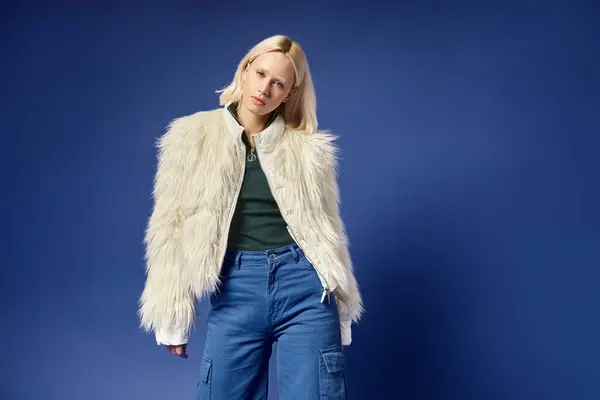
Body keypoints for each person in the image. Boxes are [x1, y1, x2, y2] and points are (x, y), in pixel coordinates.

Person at [138, 34, 364, 399]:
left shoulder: (309, 150)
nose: (265, 88)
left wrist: (341, 307)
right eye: (260, 74)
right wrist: (172, 317)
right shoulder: (190, 138)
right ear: (244, 71)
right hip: (235, 289)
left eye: (279, 83)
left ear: (289, 94)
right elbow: (170, 226)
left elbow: (327, 229)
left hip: (305, 289)